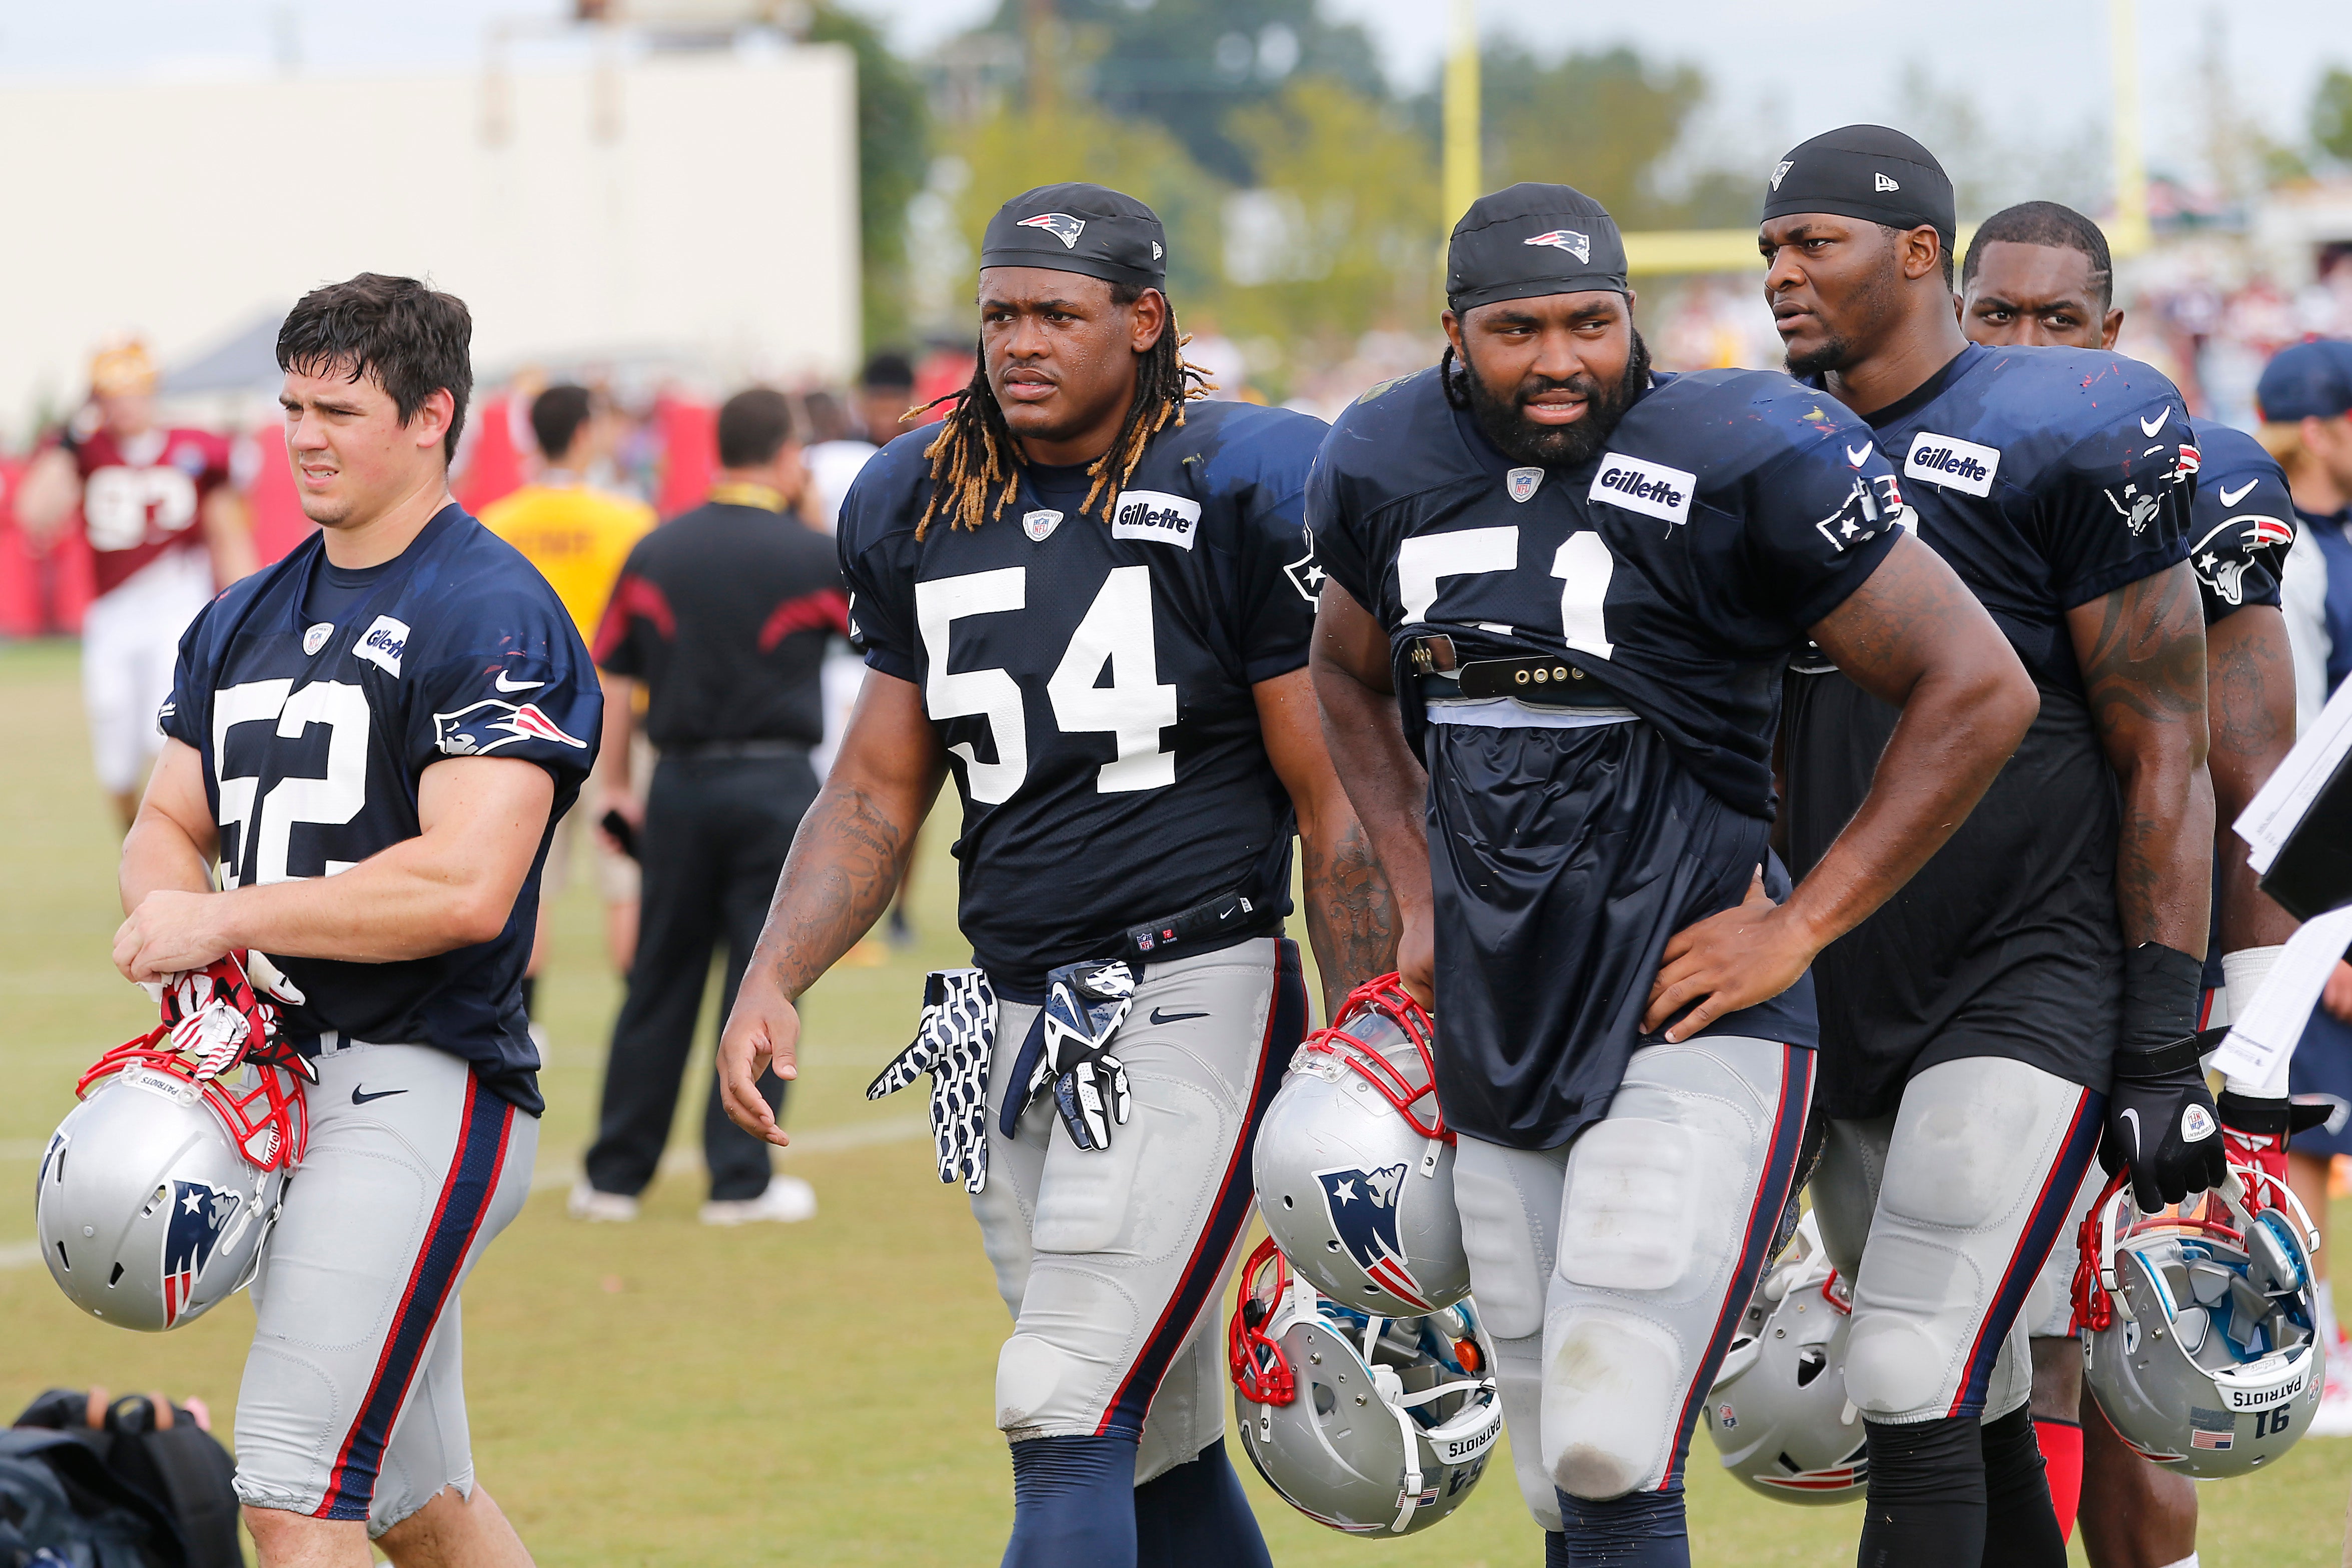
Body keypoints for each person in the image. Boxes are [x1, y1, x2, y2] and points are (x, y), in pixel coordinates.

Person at [1309, 181, 2037, 1568]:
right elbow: (1342, 675)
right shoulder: (1378, 454)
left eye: (1592, 320)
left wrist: (1801, 922)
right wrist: (1412, 888)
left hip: (1687, 999)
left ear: (1629, 312)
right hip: (1502, 1001)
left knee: (1609, 1421)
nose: (1561, 357)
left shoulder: (1740, 443)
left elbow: (1976, 685)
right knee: (1558, 1471)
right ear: (1453, 331)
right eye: (1518, 328)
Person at [714, 182, 1389, 1567]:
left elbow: (1338, 806)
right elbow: (875, 784)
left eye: (1056, 314)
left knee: (1058, 1398)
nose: (1019, 342)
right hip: (1009, 1009)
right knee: (1151, 1435)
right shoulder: (915, 492)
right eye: (999, 314)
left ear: (1144, 320)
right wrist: (776, 967)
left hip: (1195, 979)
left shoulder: (1244, 477)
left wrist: (1370, 1037)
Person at [1762, 128, 2221, 1568]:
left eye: (1811, 244)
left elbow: (2168, 746)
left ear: (1914, 255)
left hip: (2023, 970)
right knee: (1971, 1400)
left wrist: (2161, 1041)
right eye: (1768, 246)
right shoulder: (1755, 446)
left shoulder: (2078, 427)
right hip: (1835, 975)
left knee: (1906, 1370)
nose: (1778, 273)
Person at [111, 272, 599, 1565]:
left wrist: (227, 916)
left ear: (435, 414)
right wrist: (170, 906)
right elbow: (168, 817)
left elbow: (464, 882)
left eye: (341, 406)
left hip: (419, 1086)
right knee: (413, 1498)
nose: (306, 435)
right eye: (291, 406)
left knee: (286, 1488)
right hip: (280, 1089)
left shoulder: (489, 609)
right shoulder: (246, 612)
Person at [1960, 200, 2307, 1567]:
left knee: (2133, 1363)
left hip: (2132, 972)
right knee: (1983, 1360)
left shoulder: (2198, 473)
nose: (2029, 345)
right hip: (1952, 965)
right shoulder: (1897, 470)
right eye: (1999, 315)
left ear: (2109, 332)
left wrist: (2248, 1048)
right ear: (1954, 319)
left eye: (2059, 319)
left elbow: (2255, 778)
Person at [571, 387, 837, 1226]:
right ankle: (740, 1179)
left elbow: (616, 675)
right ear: (788, 453)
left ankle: (613, 1175)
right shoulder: (811, 553)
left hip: (678, 783)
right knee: (765, 977)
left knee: (659, 978)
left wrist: (617, 785)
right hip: (777, 786)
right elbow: (880, 655)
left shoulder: (657, 550)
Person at [15, 339, 259, 829]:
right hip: (113, 613)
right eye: (113, 393)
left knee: (164, 735)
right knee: (115, 757)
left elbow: (226, 533)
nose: (126, 404)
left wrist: (249, 606)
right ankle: (137, 841)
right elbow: (34, 513)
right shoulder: (83, 449)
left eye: (134, 391)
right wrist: (66, 437)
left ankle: (172, 847)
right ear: (98, 398)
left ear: (152, 390)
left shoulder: (195, 447)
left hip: (177, 604)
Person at [2255, 337, 2352, 1434]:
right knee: (2308, 1127)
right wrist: (2321, 923)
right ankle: (2307, 1343)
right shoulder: (2295, 559)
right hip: (2319, 874)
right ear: (2322, 427)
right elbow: (2297, 752)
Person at [479, 384, 654, 988]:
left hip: (525, 714)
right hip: (614, 712)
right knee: (628, 878)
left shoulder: (498, 522)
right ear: (584, 432)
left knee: (530, 882)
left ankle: (526, 1028)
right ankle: (641, 1026)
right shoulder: (629, 519)